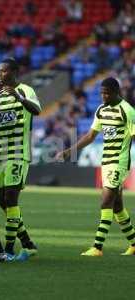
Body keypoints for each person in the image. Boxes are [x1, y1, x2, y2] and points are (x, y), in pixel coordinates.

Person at [56, 77, 135, 256]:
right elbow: (91, 136)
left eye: (107, 93)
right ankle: (134, 243)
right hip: (106, 160)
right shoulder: (101, 110)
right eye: (101, 93)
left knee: (106, 201)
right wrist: (69, 151)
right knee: (117, 207)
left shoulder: (128, 111)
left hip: (119, 162)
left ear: (117, 92)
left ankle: (97, 247)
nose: (104, 96)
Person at [0, 58, 40, 260]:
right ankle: (28, 243)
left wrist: (19, 98)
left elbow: (37, 110)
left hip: (18, 153)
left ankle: (9, 248)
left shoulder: (25, 90)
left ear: (14, 72)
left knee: (10, 199)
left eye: (3, 71)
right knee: (1, 201)